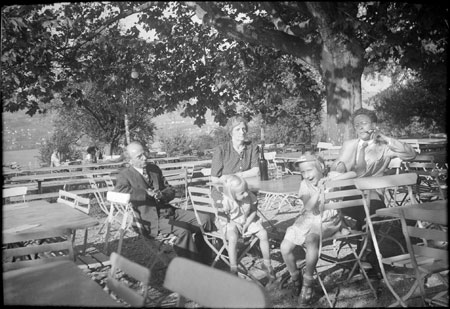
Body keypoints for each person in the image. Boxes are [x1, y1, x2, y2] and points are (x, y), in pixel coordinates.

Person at [330, 107, 416, 273]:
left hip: (373, 193)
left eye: (364, 123)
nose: (360, 127)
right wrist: (338, 168)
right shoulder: (349, 145)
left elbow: (410, 155)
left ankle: (366, 256)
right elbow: (338, 166)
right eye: (357, 125)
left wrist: (385, 138)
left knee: (370, 213)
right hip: (348, 193)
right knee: (365, 216)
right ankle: (366, 255)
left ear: (374, 125)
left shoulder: (383, 146)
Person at [114, 141, 213, 264]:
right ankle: (190, 267)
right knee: (184, 231)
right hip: (150, 218)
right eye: (139, 156)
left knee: (205, 219)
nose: (145, 158)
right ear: (130, 161)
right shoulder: (125, 175)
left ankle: (204, 259)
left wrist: (163, 195)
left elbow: (170, 189)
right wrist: (145, 193)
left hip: (169, 210)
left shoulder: (154, 169)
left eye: (144, 154)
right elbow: (120, 192)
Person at [280, 154, 356, 306]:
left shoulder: (331, 176)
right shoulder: (304, 185)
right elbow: (308, 206)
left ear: (321, 167)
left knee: (311, 239)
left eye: (310, 170)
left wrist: (331, 180)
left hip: (328, 221)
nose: (307, 175)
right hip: (307, 219)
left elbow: (354, 174)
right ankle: (296, 279)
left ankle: (308, 283)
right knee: (285, 247)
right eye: (303, 172)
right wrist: (319, 191)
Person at [216, 175, 275, 281]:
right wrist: (233, 222)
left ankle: (267, 263)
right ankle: (233, 268)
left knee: (263, 234)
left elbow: (253, 211)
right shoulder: (227, 200)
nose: (246, 193)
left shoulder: (249, 195)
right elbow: (221, 216)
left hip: (247, 220)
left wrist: (247, 223)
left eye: (246, 190)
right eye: (242, 193)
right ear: (232, 194)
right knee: (233, 237)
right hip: (230, 221)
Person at [210, 116, 260, 207]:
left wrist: (231, 176)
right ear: (231, 132)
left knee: (251, 206)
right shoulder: (221, 150)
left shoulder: (252, 148)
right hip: (224, 193)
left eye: (244, 129)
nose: (242, 132)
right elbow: (214, 178)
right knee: (234, 213)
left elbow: (256, 171)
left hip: (245, 192)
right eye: (238, 129)